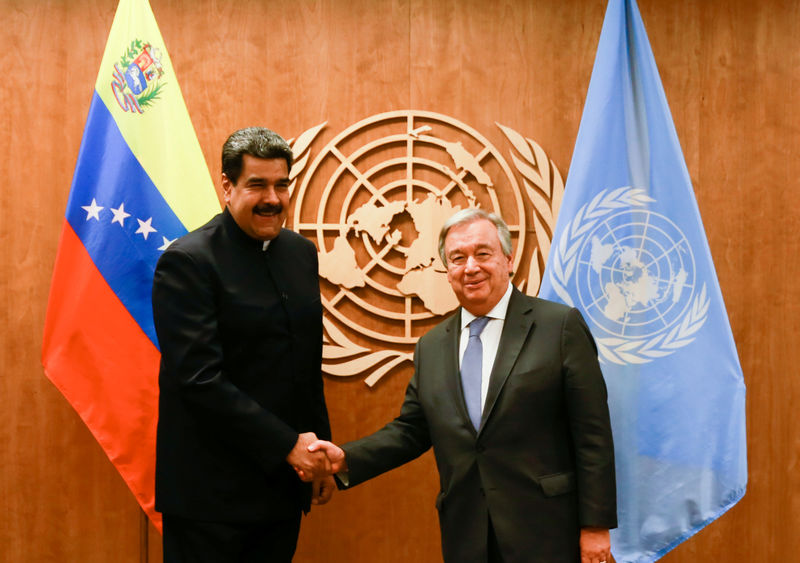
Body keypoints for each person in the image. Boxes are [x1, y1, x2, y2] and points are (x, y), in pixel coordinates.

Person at [309, 208, 617, 563]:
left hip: (546, 531)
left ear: (508, 259)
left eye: (482, 253)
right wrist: (346, 458)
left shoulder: (559, 327)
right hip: (467, 533)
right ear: (447, 270)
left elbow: (592, 433)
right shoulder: (433, 346)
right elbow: (411, 430)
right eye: (458, 258)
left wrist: (595, 527)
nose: (470, 267)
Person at [152, 127, 333, 562]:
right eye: (257, 185)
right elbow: (199, 381)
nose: (273, 198)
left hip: (281, 488)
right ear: (228, 186)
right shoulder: (188, 262)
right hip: (210, 500)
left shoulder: (299, 253)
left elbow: (304, 364)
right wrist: (287, 444)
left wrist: (319, 449)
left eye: (281, 184)